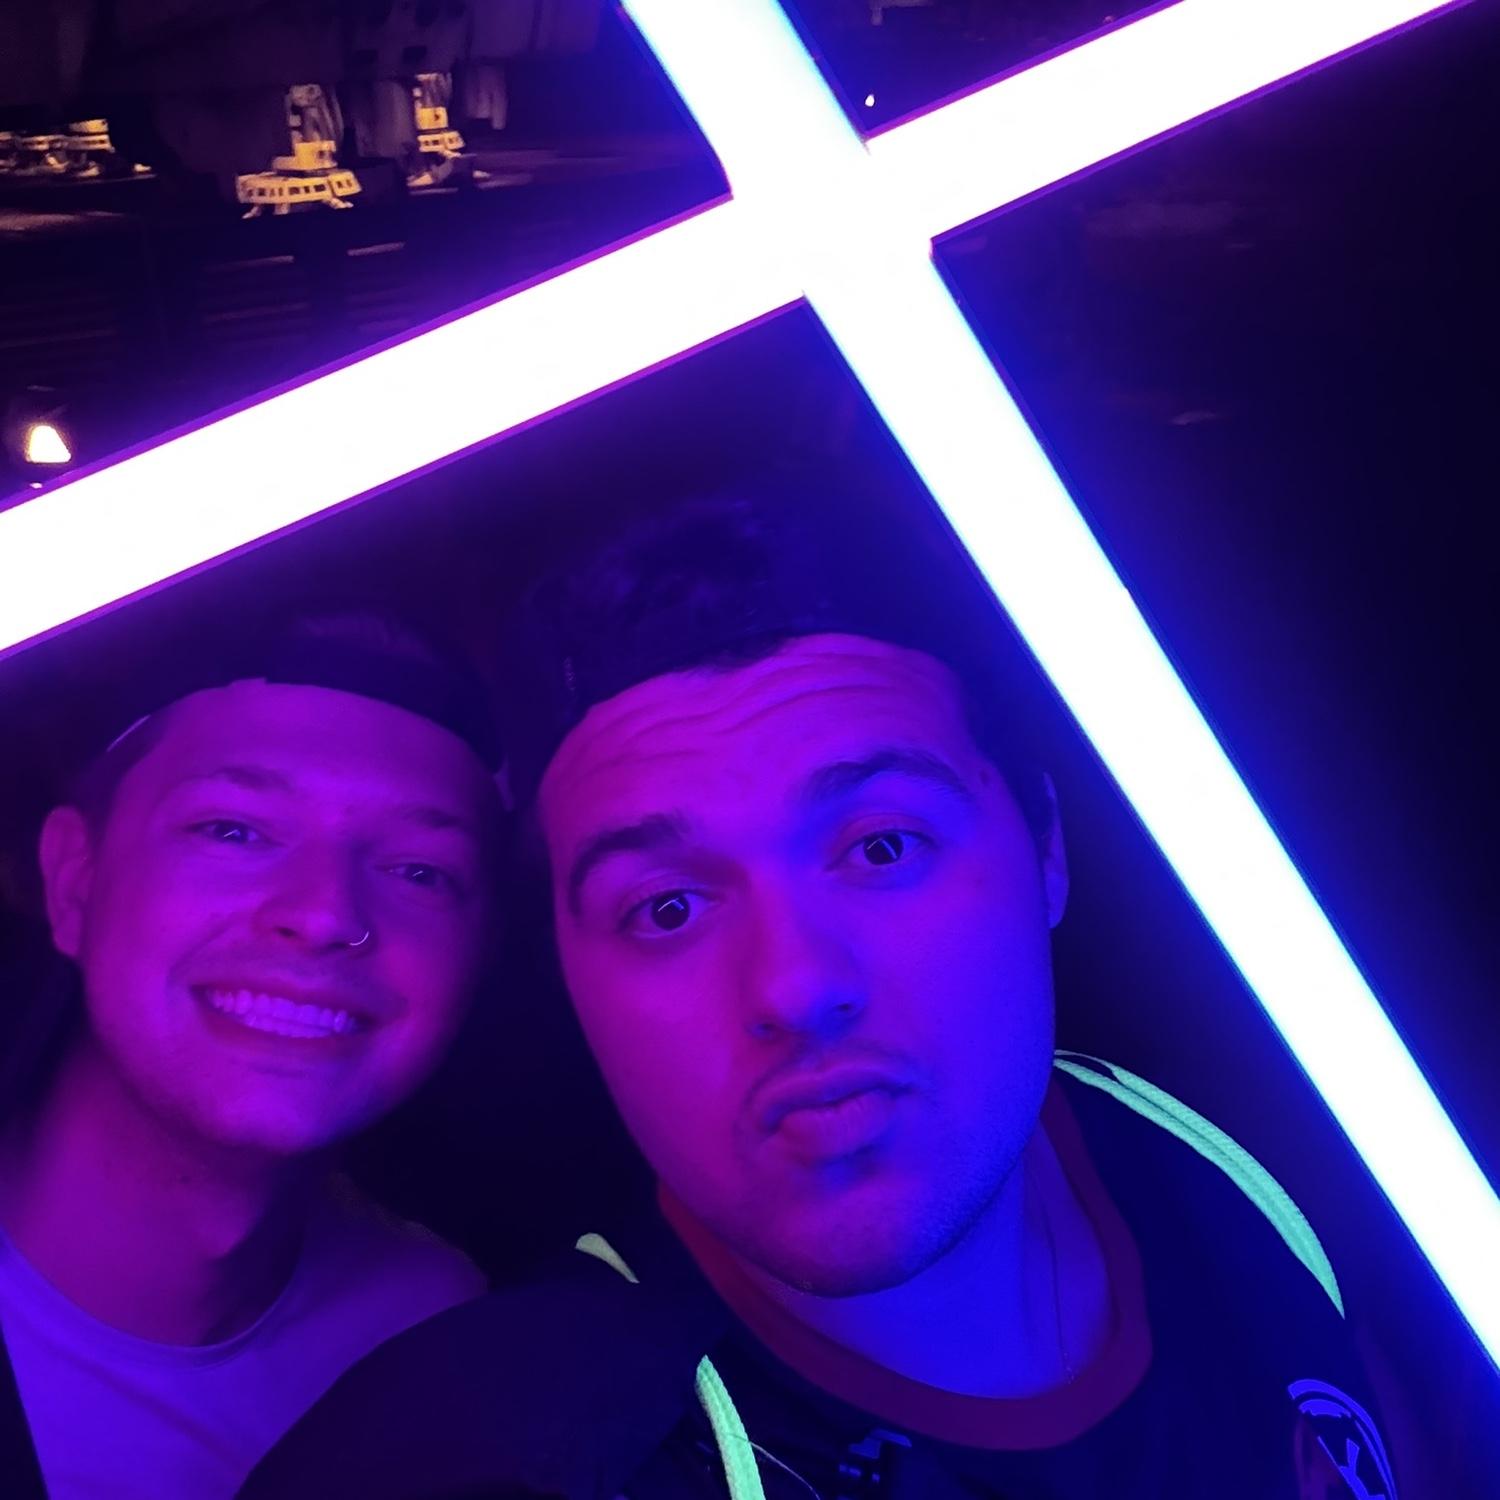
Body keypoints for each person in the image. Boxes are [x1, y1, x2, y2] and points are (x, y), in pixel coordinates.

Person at [243, 492, 1401, 1499]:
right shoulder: (486, 1458)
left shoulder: (1267, 1154)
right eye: (668, 908)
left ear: (1045, 847)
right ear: (567, 975)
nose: (797, 986)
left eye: (883, 847)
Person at [0, 608, 507, 1499]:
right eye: (234, 830)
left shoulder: (444, 1344)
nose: (325, 914)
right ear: (74, 881)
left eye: (419, 871)